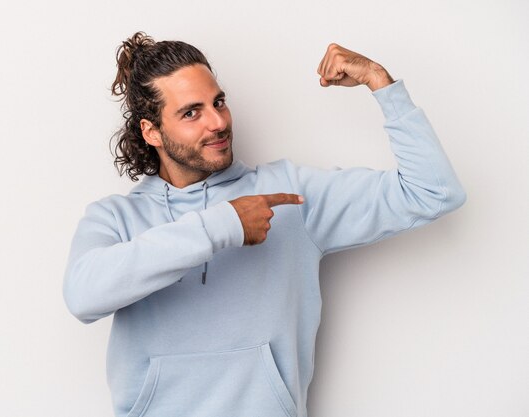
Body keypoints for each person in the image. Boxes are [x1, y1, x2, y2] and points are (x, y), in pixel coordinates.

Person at [63, 32, 466, 417]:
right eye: (192, 112)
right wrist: (223, 225)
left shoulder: (288, 195)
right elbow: (82, 297)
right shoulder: (115, 217)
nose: (218, 123)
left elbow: (433, 191)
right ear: (151, 132)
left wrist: (382, 84)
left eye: (218, 102)